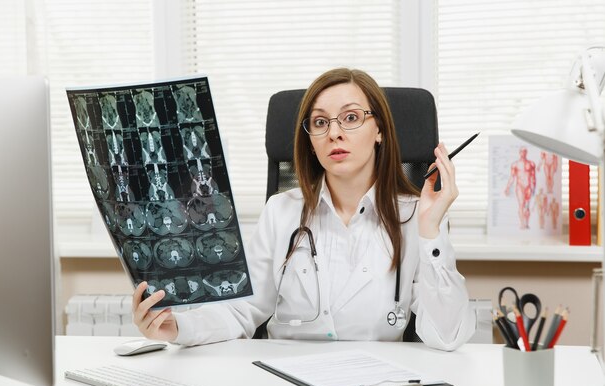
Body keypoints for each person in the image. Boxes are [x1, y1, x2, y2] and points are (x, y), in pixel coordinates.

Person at [132, 68, 475, 351]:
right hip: (286, 385)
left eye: (351, 117)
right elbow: (243, 309)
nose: (335, 133)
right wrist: (176, 326)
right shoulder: (281, 211)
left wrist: (430, 230)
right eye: (321, 122)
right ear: (310, 141)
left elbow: (448, 335)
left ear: (380, 130)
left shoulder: (416, 217)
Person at [504, 146, 536, 229]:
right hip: (520, 186)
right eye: (522, 151)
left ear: (527, 152)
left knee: (527, 206)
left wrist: (533, 187)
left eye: (525, 151)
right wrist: (507, 187)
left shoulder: (531, 164)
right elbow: (512, 177)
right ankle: (522, 223)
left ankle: (527, 223)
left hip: (528, 186)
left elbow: (533, 176)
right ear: (519, 153)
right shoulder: (515, 164)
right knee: (521, 205)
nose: (523, 153)